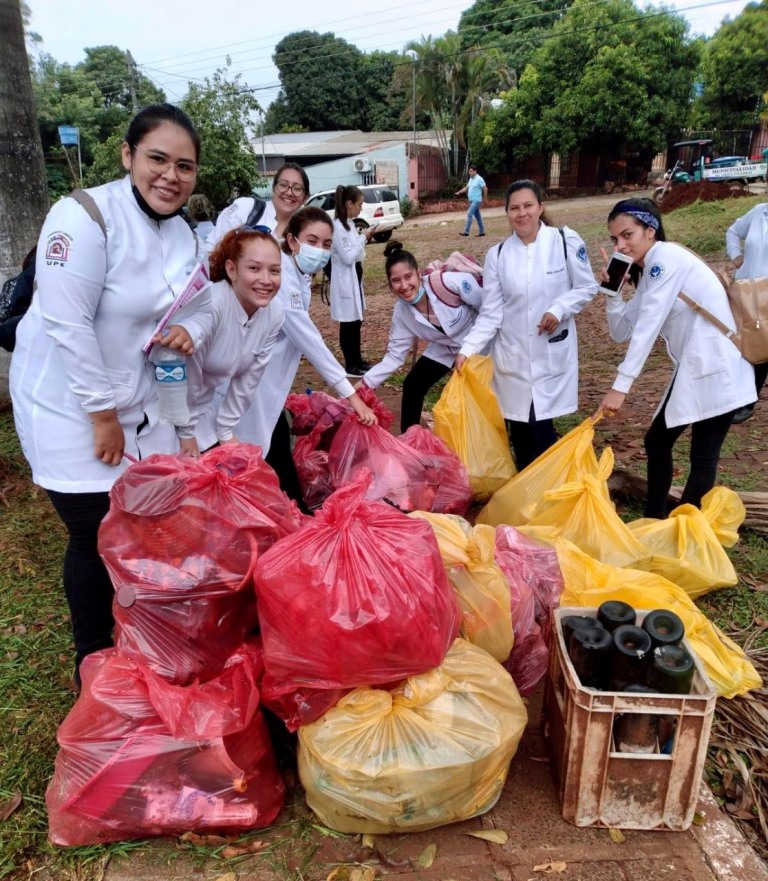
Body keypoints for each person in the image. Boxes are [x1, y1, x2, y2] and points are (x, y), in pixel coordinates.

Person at [10, 103, 212, 686]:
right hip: (70, 408)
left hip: (136, 403)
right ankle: (92, 658)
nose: (170, 176)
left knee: (139, 522)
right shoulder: (83, 216)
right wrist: (102, 416)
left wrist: (190, 339)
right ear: (127, 156)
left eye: (185, 166)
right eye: (157, 159)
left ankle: (139, 632)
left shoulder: (182, 234)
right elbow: (67, 324)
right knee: (93, 531)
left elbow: (187, 316)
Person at [596, 197, 756, 519]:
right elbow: (622, 330)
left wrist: (620, 387)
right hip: (696, 367)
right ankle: (657, 519)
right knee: (658, 442)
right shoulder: (652, 268)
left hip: (717, 366)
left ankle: (682, 528)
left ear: (650, 230)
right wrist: (613, 293)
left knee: (702, 457)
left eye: (628, 235)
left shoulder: (663, 260)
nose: (621, 245)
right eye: (615, 239)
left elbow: (648, 327)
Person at [228, 207, 377, 510]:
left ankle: (292, 512)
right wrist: (352, 396)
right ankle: (293, 516)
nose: (320, 250)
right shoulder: (281, 277)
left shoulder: (298, 274)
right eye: (312, 240)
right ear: (293, 241)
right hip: (252, 386)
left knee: (275, 446)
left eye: (326, 244)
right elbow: (311, 342)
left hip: (266, 384)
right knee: (259, 454)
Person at [455, 179, 598, 470]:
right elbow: (492, 311)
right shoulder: (497, 255)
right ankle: (525, 497)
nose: (522, 214)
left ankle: (547, 491)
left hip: (550, 352)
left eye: (528, 206)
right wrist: (467, 349)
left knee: (540, 427)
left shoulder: (563, 241)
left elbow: (586, 287)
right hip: (512, 356)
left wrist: (558, 310)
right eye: (514, 208)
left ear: (540, 207)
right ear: (506, 213)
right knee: (519, 429)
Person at [357, 241, 491, 433]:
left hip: (480, 341)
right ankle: (410, 442)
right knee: (413, 384)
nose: (404, 286)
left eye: (408, 276)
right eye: (396, 281)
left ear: (418, 273)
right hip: (446, 348)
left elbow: (488, 311)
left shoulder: (447, 283)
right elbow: (395, 357)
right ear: (390, 284)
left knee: (486, 394)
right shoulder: (402, 313)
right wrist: (365, 383)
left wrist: (473, 348)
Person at [179, 229, 285, 457]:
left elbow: (249, 377)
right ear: (231, 270)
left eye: (274, 271)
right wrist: (186, 433)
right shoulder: (212, 304)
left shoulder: (274, 312)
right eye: (254, 268)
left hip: (202, 410)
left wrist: (226, 430)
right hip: (169, 408)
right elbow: (188, 374)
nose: (266, 280)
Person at [725, 201, 768, 423]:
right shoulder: (760, 211)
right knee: (745, 341)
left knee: (762, 344)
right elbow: (733, 231)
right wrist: (736, 256)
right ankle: (739, 396)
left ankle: (747, 401)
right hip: (747, 291)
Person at [206, 162, 309, 250]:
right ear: (273, 188)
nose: (289, 192)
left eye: (297, 188)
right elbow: (212, 250)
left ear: (306, 197)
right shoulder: (246, 209)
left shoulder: (305, 234)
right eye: (283, 185)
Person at [330, 184, 376, 376]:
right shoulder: (338, 227)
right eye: (359, 204)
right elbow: (348, 257)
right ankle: (350, 364)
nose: (361, 208)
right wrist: (363, 238)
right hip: (344, 280)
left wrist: (362, 237)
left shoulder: (348, 224)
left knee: (356, 322)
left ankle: (358, 360)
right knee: (348, 324)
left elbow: (357, 254)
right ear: (349, 204)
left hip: (354, 277)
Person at [455, 164, 487, 238]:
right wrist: (459, 192)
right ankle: (482, 232)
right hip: (471, 201)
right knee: (478, 217)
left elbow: (485, 189)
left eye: (471, 171)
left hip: (477, 200)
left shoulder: (479, 179)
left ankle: (466, 231)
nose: (469, 173)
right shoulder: (471, 179)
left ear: (475, 171)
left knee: (469, 213)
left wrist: (485, 199)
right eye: (469, 171)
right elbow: (466, 188)